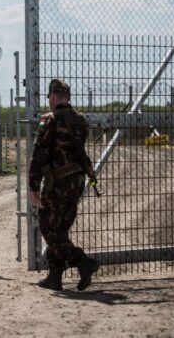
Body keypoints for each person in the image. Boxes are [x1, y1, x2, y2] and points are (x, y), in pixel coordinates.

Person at [28, 78, 99, 291]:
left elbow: (39, 155)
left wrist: (33, 186)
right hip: (76, 181)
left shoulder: (50, 120)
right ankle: (54, 277)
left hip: (57, 182)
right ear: (67, 97)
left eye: (50, 97)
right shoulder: (80, 120)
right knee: (60, 228)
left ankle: (82, 262)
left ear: (53, 97)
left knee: (48, 227)